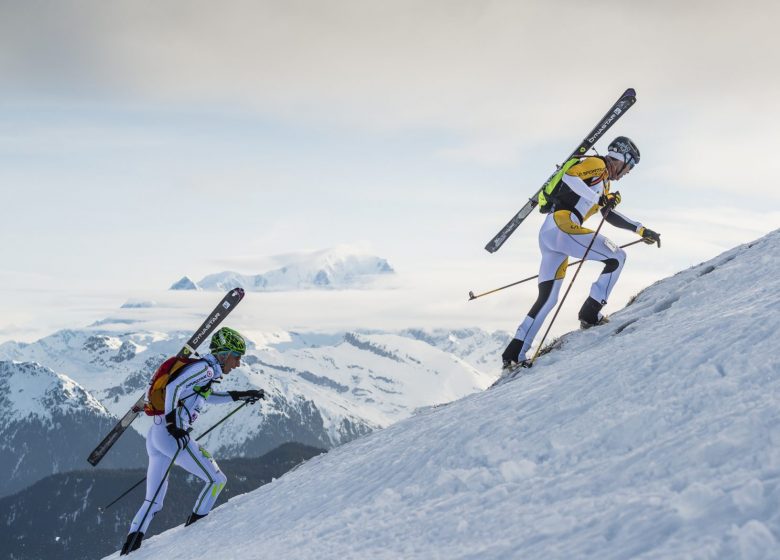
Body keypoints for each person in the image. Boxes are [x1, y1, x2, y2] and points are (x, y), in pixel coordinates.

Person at [501, 136, 660, 372]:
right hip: (563, 227)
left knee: (548, 298)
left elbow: (608, 214)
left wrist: (641, 230)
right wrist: (598, 197)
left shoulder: (603, 183)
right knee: (617, 257)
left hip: (550, 233)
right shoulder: (598, 164)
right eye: (630, 166)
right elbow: (569, 176)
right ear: (622, 159)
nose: (628, 173)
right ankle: (590, 314)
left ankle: (514, 353)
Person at [120, 327, 265, 555]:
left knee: (153, 501)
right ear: (224, 354)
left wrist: (241, 395)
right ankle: (195, 533)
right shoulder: (205, 370)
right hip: (171, 434)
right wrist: (172, 423)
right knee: (216, 480)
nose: (237, 364)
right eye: (236, 358)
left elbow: (205, 397)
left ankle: (128, 552)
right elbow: (173, 387)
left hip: (157, 435)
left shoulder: (205, 372)